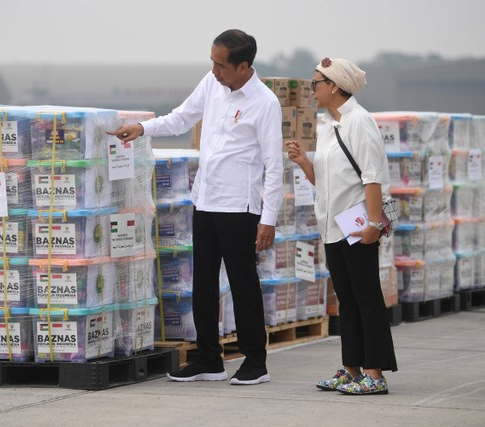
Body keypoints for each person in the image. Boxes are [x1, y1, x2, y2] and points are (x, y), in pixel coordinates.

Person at [107, 29, 283, 386]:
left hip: (240, 206)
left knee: (242, 283)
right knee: (202, 282)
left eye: (221, 65)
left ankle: (255, 361)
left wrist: (269, 219)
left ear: (243, 66)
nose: (215, 70)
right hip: (205, 200)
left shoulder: (265, 103)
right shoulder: (212, 84)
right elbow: (181, 118)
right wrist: (142, 128)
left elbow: (274, 165)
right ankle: (208, 359)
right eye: (212, 62)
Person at [286, 57, 398, 395]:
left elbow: (372, 177)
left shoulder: (359, 121)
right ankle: (351, 369)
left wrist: (375, 224)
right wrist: (304, 161)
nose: (312, 89)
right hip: (333, 226)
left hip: (357, 224)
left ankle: (375, 374)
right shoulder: (327, 126)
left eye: (316, 83)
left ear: (334, 86)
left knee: (366, 298)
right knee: (346, 301)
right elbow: (325, 180)